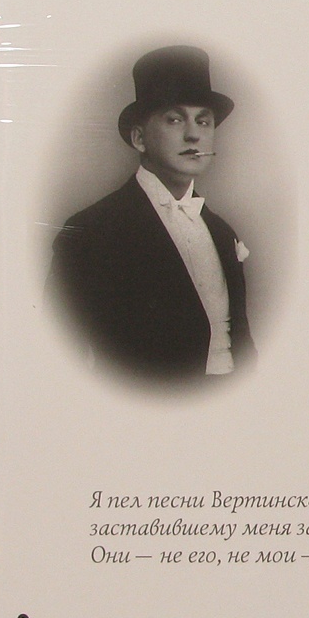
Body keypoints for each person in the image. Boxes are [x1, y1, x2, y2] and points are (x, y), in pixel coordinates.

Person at [49, 45, 255, 385]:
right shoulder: (90, 232)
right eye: (175, 119)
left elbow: (242, 344)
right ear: (139, 138)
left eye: (203, 121)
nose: (193, 134)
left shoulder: (222, 232)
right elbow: (61, 357)